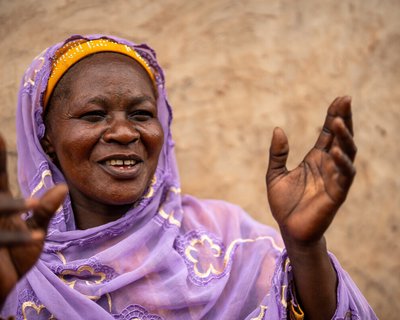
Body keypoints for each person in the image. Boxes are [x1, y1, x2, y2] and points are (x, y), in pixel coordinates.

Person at [0, 34, 377, 320]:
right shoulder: (19, 257)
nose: (124, 133)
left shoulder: (228, 238)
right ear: (44, 137)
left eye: (141, 114)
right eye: (93, 115)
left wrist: (306, 249)